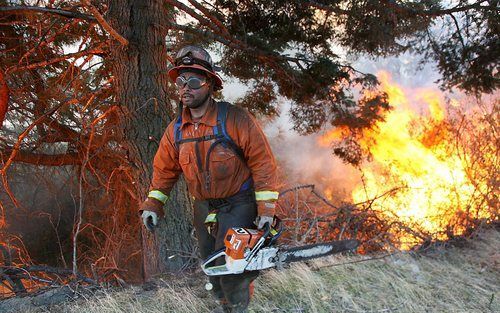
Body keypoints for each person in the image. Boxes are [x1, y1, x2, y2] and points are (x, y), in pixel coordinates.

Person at [139, 45, 279, 312]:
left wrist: (267, 209)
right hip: (203, 207)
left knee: (232, 269)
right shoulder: (176, 130)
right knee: (212, 266)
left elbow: (263, 163)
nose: (185, 87)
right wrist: (153, 204)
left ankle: (237, 306)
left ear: (210, 85)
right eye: (180, 81)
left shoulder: (235, 119)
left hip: (239, 203)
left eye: (193, 80)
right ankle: (224, 303)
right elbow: (164, 170)